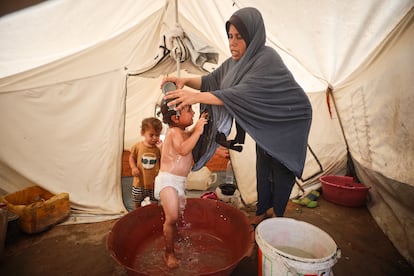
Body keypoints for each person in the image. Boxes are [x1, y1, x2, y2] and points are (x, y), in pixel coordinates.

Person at [162, 7, 313, 226]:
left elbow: (239, 94)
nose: (232, 43)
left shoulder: (266, 58)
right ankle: (262, 212)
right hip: (265, 121)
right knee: (263, 164)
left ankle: (278, 217)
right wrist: (185, 81)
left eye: (239, 37)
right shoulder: (235, 62)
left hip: (290, 120)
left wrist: (194, 98)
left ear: (253, 36)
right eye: (230, 36)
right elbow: (212, 80)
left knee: (281, 168)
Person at [155, 98, 208, 268]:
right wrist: (199, 129)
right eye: (189, 110)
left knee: (176, 215)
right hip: (167, 179)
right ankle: (168, 253)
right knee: (172, 217)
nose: (193, 113)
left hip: (178, 181)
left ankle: (174, 236)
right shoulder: (173, 132)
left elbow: (190, 136)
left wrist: (198, 126)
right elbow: (184, 149)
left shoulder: (183, 132)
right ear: (175, 118)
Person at [129, 117, 163, 209]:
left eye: (157, 135)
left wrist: (161, 149)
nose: (155, 138)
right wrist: (133, 167)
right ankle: (137, 215)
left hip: (154, 183)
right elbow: (132, 157)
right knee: (137, 200)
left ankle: (152, 216)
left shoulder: (158, 148)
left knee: (155, 202)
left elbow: (164, 160)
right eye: (151, 135)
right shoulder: (137, 146)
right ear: (143, 133)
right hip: (140, 181)